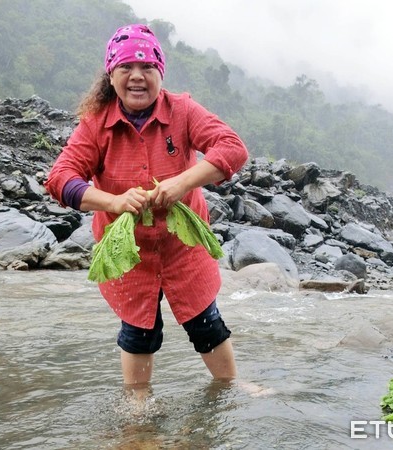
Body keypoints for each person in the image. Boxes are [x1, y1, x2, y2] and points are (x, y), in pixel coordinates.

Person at [44, 24, 248, 394]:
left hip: (182, 244)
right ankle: (138, 404)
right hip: (127, 250)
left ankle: (231, 387)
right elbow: (61, 178)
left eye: (147, 68)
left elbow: (232, 148)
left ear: (159, 74)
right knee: (138, 329)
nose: (137, 77)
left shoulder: (182, 111)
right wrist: (114, 202)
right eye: (126, 68)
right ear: (112, 75)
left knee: (205, 320)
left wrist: (183, 182)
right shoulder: (96, 124)